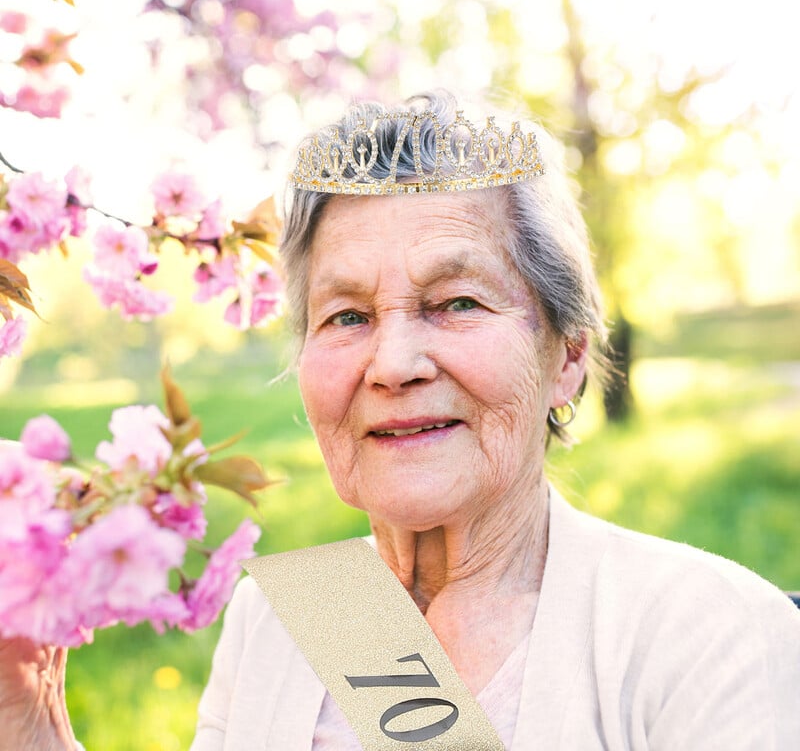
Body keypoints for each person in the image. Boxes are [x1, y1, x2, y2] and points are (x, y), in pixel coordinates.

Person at [3, 90, 799, 750]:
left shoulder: (707, 632)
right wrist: (29, 712)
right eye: (347, 316)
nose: (392, 363)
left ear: (567, 358)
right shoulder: (285, 617)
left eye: (457, 303)